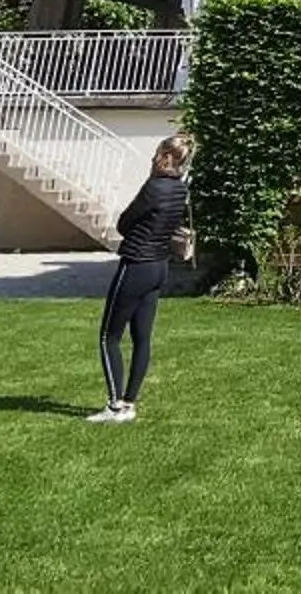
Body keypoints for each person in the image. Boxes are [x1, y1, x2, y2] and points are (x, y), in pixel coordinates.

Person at [90, 135, 190, 424]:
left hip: (136, 264)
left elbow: (124, 223)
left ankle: (114, 406)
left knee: (109, 337)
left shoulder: (154, 187)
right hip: (159, 266)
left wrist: (150, 178)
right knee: (142, 338)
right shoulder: (179, 190)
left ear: (164, 156)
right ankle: (129, 402)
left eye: (157, 152)